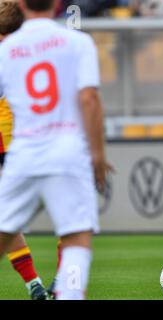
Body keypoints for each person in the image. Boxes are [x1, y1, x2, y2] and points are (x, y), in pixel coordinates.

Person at [0, 0, 111, 300]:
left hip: (22, 153)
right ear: (58, 5)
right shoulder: (78, 42)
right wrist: (98, 155)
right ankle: (70, 293)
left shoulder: (6, 50)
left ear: (22, 4)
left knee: (4, 230)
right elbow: (89, 99)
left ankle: (35, 283)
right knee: (76, 239)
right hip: (68, 153)